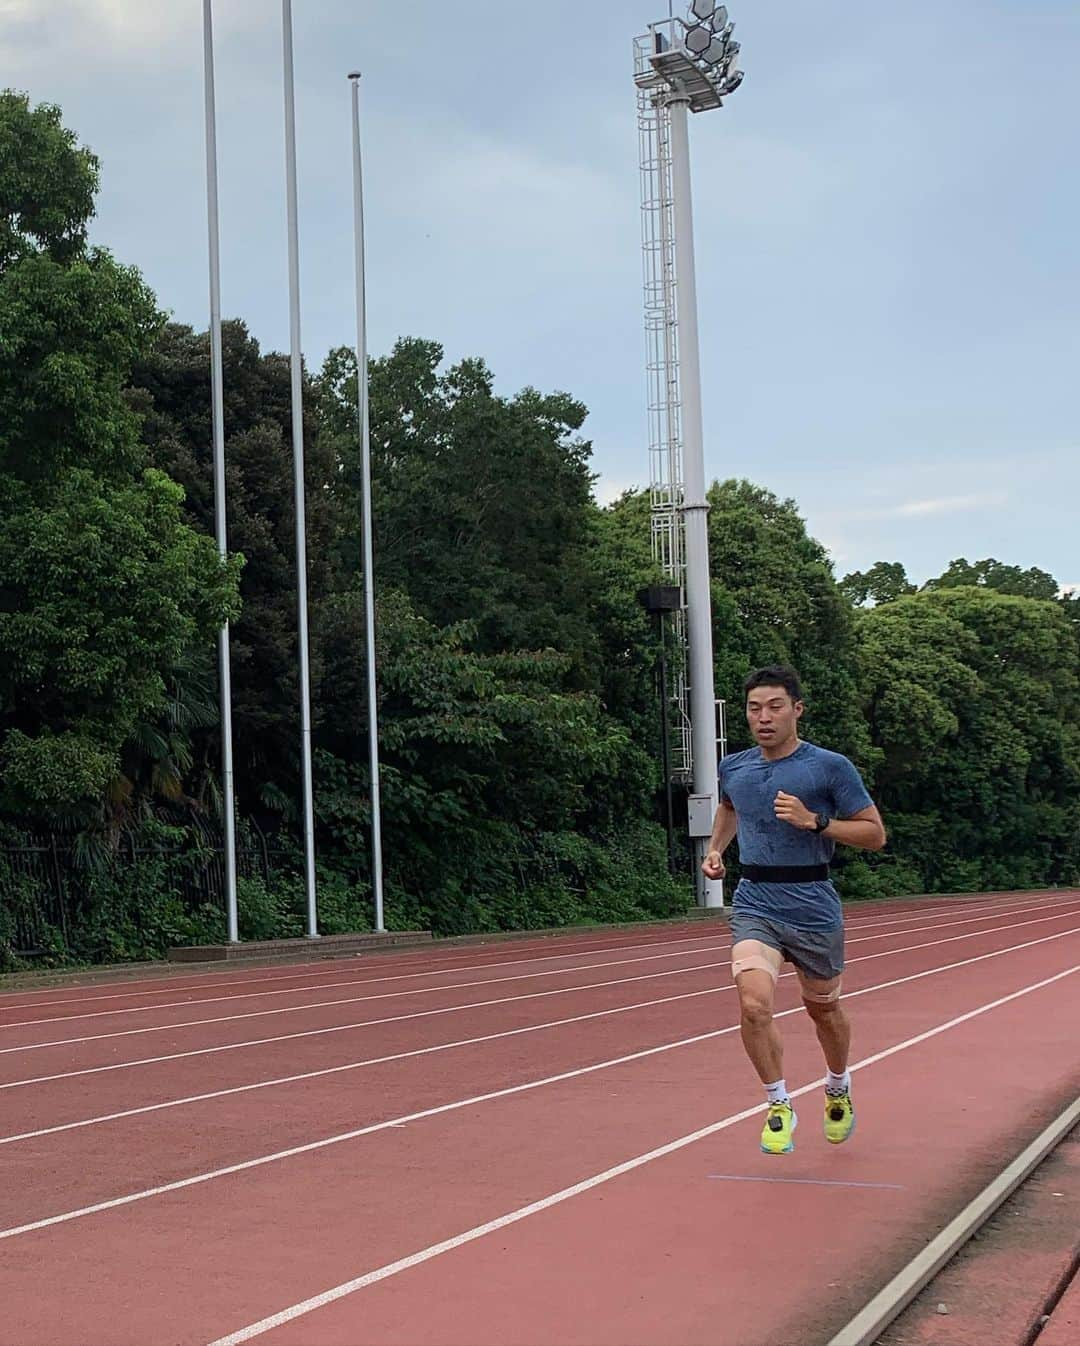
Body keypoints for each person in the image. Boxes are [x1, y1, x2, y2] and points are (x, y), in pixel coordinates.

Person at [702, 665, 886, 1155]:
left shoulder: (829, 767)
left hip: (812, 903)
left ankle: (838, 1084)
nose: (763, 717)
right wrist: (717, 849)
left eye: (775, 706)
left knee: (822, 1009)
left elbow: (874, 834)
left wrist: (815, 821)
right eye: (754, 708)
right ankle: (778, 1103)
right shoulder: (734, 766)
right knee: (754, 1002)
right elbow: (730, 807)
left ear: (797, 710)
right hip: (755, 900)